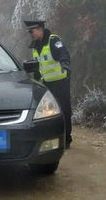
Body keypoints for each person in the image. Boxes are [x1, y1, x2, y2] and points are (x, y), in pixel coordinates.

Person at [24, 20, 72, 148]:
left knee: (64, 111)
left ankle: (66, 139)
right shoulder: (35, 46)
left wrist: (65, 63)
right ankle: (50, 139)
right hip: (47, 85)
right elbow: (37, 67)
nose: (30, 34)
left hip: (60, 82)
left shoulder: (53, 40)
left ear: (40, 29)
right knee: (47, 113)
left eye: (31, 31)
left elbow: (63, 53)